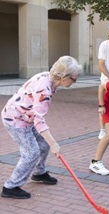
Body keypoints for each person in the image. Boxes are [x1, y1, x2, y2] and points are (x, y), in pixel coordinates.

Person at [1, 56, 82, 199]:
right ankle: (11, 186)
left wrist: (49, 143)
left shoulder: (48, 78)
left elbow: (37, 117)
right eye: (74, 79)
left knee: (43, 145)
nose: (74, 82)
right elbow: (40, 121)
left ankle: (39, 173)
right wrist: (54, 143)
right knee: (31, 152)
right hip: (15, 119)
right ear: (64, 77)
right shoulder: (44, 90)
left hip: (26, 117)